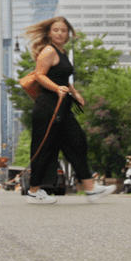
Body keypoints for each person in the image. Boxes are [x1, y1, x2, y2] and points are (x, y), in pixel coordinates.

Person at [23, 16, 115, 204]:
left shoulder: (62, 52)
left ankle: (90, 189)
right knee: (45, 149)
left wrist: (75, 93)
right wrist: (57, 89)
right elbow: (39, 75)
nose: (59, 33)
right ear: (49, 32)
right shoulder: (48, 51)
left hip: (62, 106)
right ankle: (34, 192)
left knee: (76, 142)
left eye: (63, 31)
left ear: (68, 34)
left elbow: (63, 79)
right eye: (56, 30)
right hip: (48, 106)